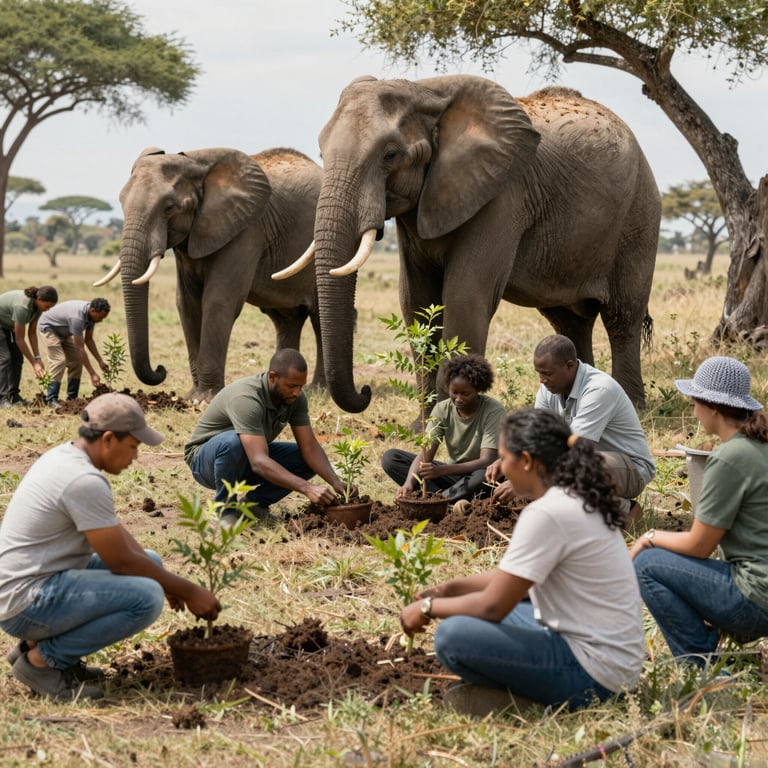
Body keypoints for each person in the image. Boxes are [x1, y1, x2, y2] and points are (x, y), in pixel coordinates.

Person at [400, 408, 644, 715]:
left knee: (453, 637)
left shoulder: (546, 514)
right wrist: (451, 588)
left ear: (527, 461)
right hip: (616, 663)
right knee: (495, 611)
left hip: (595, 677)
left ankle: (525, 702)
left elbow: (493, 605)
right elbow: (512, 578)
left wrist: (426, 609)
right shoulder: (575, 496)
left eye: (503, 457)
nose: (499, 466)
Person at [0, 393, 221, 702]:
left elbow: (115, 533)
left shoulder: (65, 457)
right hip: (26, 601)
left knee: (152, 562)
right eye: (132, 446)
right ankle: (43, 662)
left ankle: (32, 648)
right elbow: (121, 564)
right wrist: (187, 589)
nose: (135, 457)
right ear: (107, 439)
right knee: (146, 597)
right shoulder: (82, 480)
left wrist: (162, 574)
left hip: (31, 584)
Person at [632, 356, 768, 668]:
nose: (693, 411)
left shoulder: (730, 457)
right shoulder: (760, 446)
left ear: (713, 407)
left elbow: (699, 546)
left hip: (757, 596)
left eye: (695, 402)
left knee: (647, 564)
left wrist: (648, 538)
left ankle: (699, 663)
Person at [486, 334, 655, 523]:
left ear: (569, 366)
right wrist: (510, 460)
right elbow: (536, 435)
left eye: (547, 373)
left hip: (631, 468)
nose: (542, 380)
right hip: (591, 459)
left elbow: (576, 451)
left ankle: (625, 511)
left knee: (569, 468)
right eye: (539, 373)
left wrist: (522, 481)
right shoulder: (549, 388)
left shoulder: (599, 390)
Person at [184, 348, 348, 526]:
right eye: (291, 386)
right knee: (233, 443)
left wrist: (335, 481)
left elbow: (310, 447)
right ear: (272, 377)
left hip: (246, 457)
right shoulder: (247, 398)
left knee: (306, 459)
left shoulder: (295, 399)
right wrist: (307, 488)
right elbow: (258, 461)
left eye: (301, 386)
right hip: (206, 462)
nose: (297, 392)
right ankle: (225, 512)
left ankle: (254, 507)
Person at [381, 353, 506, 503]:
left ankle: (437, 501)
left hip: (479, 477)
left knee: (483, 475)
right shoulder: (442, 409)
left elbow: (486, 461)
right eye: (454, 392)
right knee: (391, 458)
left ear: (478, 390)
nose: (458, 399)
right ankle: (447, 499)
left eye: (465, 394)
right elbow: (425, 454)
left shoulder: (493, 411)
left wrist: (441, 471)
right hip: (453, 477)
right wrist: (408, 483)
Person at [38, 297, 111, 406]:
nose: (101, 320)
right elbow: (80, 348)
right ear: (92, 311)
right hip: (49, 328)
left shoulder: (91, 316)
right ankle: (51, 399)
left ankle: (72, 399)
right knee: (59, 360)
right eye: (100, 317)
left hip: (64, 332)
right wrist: (92, 374)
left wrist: (100, 361)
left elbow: (89, 340)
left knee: (76, 362)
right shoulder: (78, 317)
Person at [0, 285, 58, 407]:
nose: (47, 310)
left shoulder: (38, 308)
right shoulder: (22, 306)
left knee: (18, 359)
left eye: (50, 308)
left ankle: (13, 396)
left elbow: (32, 333)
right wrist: (34, 364)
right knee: (5, 359)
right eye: (47, 306)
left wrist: (37, 357)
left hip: (7, 325)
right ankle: (2, 398)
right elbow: (20, 339)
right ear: (39, 299)